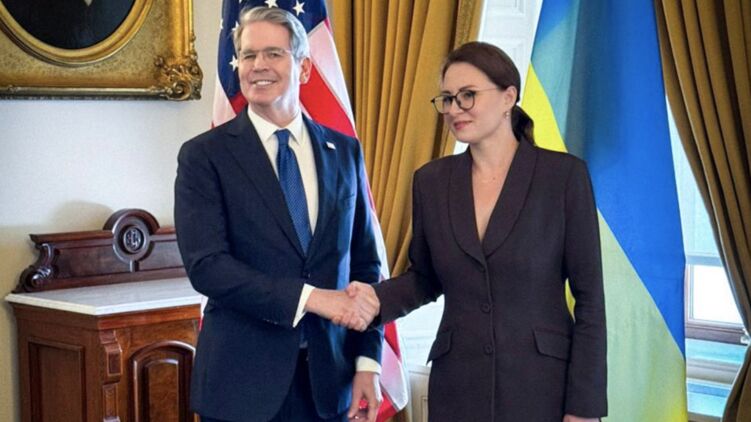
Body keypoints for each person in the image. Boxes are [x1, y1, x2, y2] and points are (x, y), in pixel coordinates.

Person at [343, 42, 607, 421]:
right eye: (447, 99)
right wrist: (374, 300)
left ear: (508, 98)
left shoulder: (564, 177)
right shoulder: (431, 181)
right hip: (457, 389)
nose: (454, 109)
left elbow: (591, 301)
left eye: (468, 95)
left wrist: (584, 408)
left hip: (542, 389)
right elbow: (425, 279)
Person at [174, 6, 382, 422]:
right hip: (241, 390)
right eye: (248, 55)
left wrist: (367, 363)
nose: (258, 66)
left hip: (329, 385)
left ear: (303, 68)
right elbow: (208, 267)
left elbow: (365, 266)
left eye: (273, 53)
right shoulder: (204, 156)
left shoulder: (344, 152)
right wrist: (312, 298)